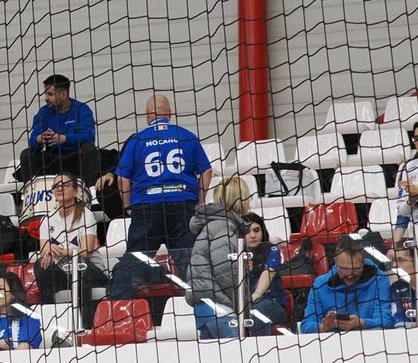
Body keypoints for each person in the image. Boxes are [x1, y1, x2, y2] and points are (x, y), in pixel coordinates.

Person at [116, 94, 212, 277]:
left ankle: (119, 301)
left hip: (147, 206)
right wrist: (199, 203)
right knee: (191, 264)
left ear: (147, 116)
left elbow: (122, 179)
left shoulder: (137, 140)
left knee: (133, 263)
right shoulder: (186, 136)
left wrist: (128, 206)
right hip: (182, 204)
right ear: (170, 114)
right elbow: (206, 171)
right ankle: (203, 302)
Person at [188, 176, 281, 338]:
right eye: (246, 197)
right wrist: (243, 302)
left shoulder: (218, 224)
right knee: (237, 356)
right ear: (239, 200)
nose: (248, 202)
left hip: (207, 305)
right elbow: (225, 271)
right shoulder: (224, 227)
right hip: (217, 308)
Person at [32, 173, 110, 328]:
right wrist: (47, 253)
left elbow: (85, 251)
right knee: (41, 265)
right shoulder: (47, 220)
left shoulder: (85, 215)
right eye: (56, 186)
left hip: (92, 272)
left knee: (79, 264)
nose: (60, 188)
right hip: (64, 273)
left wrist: (63, 252)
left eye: (65, 185)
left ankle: (85, 327)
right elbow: (44, 250)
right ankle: (51, 323)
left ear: (76, 191)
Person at [300, 235, 395, 334]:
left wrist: (361, 323)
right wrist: (324, 327)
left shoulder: (380, 279)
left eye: (356, 269)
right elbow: (306, 325)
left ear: (363, 263)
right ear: (335, 261)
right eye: (344, 269)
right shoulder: (320, 285)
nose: (350, 275)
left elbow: (386, 321)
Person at [16, 75, 98, 183]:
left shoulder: (82, 110)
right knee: (27, 154)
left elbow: (89, 137)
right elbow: (32, 141)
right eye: (45, 94)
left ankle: (89, 190)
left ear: (63, 94)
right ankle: (32, 192)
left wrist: (64, 139)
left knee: (90, 149)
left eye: (50, 94)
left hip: (75, 159)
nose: (46, 98)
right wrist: (40, 138)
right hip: (52, 160)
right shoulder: (43, 112)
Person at [243, 215, 290, 329]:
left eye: (256, 230)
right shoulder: (236, 254)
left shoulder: (272, 249)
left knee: (256, 308)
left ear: (263, 231)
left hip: (273, 305)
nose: (253, 235)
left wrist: (257, 294)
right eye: (247, 231)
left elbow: (269, 272)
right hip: (245, 305)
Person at [391, 121, 418, 246]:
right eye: (416, 138)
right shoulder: (408, 167)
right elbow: (402, 213)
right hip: (415, 236)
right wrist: (394, 246)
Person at [389, 243, 415, 328]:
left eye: (401, 260)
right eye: (394, 260)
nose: (394, 265)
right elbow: (398, 322)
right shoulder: (397, 287)